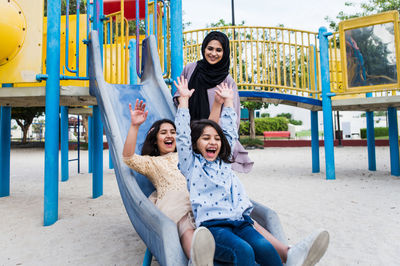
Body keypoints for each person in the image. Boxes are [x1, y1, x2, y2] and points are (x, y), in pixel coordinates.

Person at [174, 77, 330, 266]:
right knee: (243, 250)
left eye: (216, 138)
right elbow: (182, 137)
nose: (213, 142)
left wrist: (229, 102)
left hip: (241, 222)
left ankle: (289, 259)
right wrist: (183, 102)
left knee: (266, 248)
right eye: (206, 138)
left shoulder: (224, 161)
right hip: (214, 227)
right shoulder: (192, 166)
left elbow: (230, 132)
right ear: (196, 144)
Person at [122, 99, 215, 266]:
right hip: (176, 201)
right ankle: (197, 260)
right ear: (156, 139)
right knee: (186, 224)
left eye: (173, 131)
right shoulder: (153, 162)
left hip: (198, 196)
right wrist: (135, 125)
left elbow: (211, 133)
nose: (169, 135)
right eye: (163, 132)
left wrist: (218, 104)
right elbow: (128, 158)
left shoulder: (188, 155)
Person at [174, 31, 253, 173]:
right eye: (210, 48)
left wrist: (210, 136)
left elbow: (231, 115)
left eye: (219, 50)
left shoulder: (227, 81)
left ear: (225, 52)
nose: (213, 53)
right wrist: (182, 98)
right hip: (188, 133)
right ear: (204, 48)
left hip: (212, 139)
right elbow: (179, 97)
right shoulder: (191, 69)